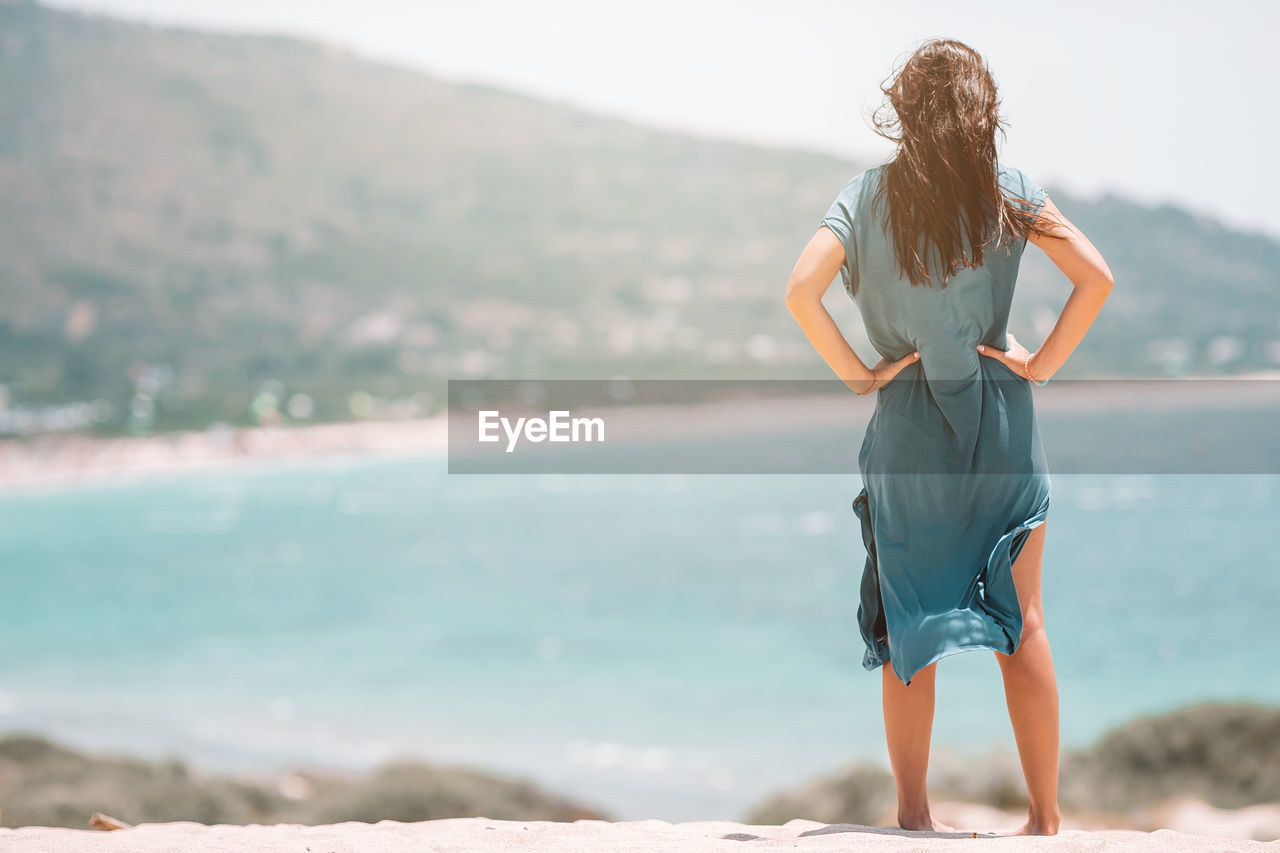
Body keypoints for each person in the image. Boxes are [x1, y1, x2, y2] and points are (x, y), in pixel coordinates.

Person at [784, 38, 1114, 837]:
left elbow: (801, 291)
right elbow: (1096, 277)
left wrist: (863, 374)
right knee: (1023, 622)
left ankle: (913, 813)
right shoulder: (1009, 192)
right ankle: (1044, 818)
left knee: (910, 622)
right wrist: (1038, 365)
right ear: (984, 111)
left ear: (903, 109)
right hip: (1003, 425)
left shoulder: (866, 197)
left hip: (907, 432)